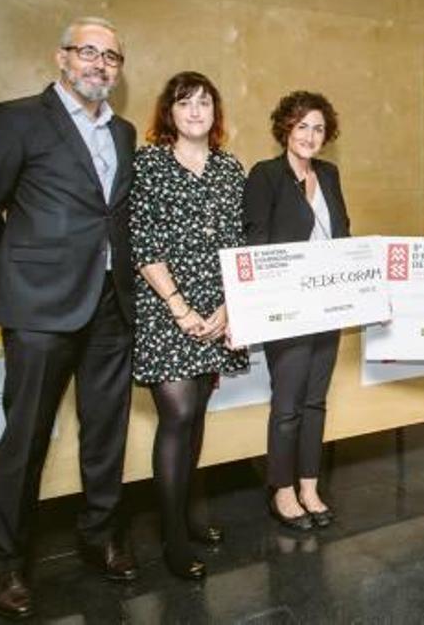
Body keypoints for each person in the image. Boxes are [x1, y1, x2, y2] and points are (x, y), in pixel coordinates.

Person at [0, 16, 137, 619]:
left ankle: (99, 537)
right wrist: (14, 278)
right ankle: (6, 562)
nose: (100, 65)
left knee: (105, 432)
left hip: (111, 304)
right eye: (89, 52)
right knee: (26, 438)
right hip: (40, 309)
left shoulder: (125, 131)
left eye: (111, 57)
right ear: (61, 57)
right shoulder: (15, 119)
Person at [129, 71, 249, 579]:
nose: (195, 111)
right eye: (185, 103)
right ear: (169, 112)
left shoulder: (229, 167)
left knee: (198, 411)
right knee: (177, 415)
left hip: (218, 308)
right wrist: (179, 306)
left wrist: (226, 307)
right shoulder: (150, 163)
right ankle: (171, 536)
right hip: (165, 306)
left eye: (204, 102)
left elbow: (242, 242)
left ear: (214, 112)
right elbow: (140, 240)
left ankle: (189, 512)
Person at [244, 91, 349, 531]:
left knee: (315, 401)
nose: (310, 135)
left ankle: (309, 485)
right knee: (287, 403)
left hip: (330, 304)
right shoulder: (266, 175)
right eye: (303, 126)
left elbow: (343, 233)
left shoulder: (329, 173)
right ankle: (281, 490)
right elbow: (256, 242)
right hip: (286, 308)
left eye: (319, 128)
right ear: (286, 127)